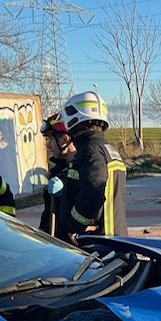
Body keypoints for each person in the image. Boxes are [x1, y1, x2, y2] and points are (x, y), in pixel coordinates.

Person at [57, 91, 127, 242]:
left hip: (99, 244)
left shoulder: (89, 150)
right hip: (114, 239)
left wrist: (75, 225)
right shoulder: (107, 148)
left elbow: (93, 191)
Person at [38, 112, 77, 238]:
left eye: (51, 139)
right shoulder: (57, 172)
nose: (49, 145)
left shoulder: (84, 169)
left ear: (64, 139)